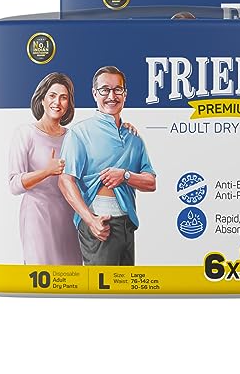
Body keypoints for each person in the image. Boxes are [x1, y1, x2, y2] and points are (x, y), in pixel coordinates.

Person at [59, 66, 156, 266]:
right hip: (99, 225)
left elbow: (151, 182)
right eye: (105, 90)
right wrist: (91, 220)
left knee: (125, 283)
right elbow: (65, 180)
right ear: (95, 93)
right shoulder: (79, 133)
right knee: (102, 285)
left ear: (125, 94)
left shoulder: (134, 138)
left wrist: (125, 176)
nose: (112, 96)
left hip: (127, 224)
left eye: (117, 89)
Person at [9, 72, 83, 265]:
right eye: (52, 95)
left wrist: (122, 127)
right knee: (41, 271)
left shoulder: (73, 137)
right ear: (42, 99)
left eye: (63, 97)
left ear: (69, 104)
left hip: (69, 219)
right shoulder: (25, 133)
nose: (57, 102)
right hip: (37, 218)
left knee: (71, 274)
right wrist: (46, 171)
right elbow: (14, 185)